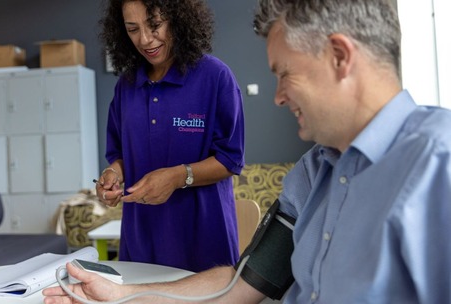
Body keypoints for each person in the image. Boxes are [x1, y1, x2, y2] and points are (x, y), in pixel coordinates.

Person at [43, 0, 451, 303]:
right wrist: (122, 294)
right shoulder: (310, 176)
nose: (275, 97)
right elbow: (242, 284)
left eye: (284, 73)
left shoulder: (439, 167)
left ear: (340, 57)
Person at [94, 0, 245, 273]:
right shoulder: (126, 86)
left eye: (154, 25)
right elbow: (120, 154)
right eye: (132, 29)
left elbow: (229, 160)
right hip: (141, 239)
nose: (145, 39)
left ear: (177, 18)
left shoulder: (216, 77)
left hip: (203, 240)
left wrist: (177, 177)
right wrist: (113, 174)